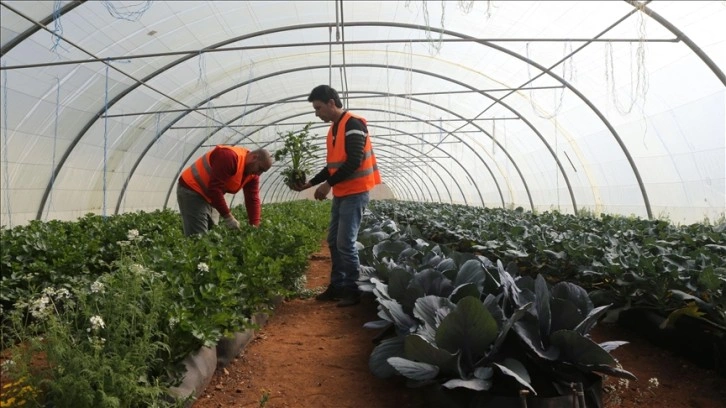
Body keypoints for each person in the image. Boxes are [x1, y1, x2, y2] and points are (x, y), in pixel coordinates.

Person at [292, 85, 381, 307]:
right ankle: (337, 285)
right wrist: (310, 184)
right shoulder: (334, 128)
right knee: (333, 240)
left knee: (346, 243)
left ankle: (352, 290)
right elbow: (332, 166)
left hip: (356, 192)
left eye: (318, 108)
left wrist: (327, 185)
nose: (317, 113)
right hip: (343, 192)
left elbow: (353, 161)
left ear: (332, 103)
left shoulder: (353, 124)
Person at [177, 146, 272, 236]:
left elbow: (252, 199)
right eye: (260, 168)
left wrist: (254, 226)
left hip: (210, 196)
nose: (259, 174)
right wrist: (228, 217)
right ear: (254, 157)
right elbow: (215, 189)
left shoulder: (253, 175)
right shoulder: (229, 157)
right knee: (198, 236)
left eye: (262, 171)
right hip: (192, 190)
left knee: (213, 234)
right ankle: (197, 252)